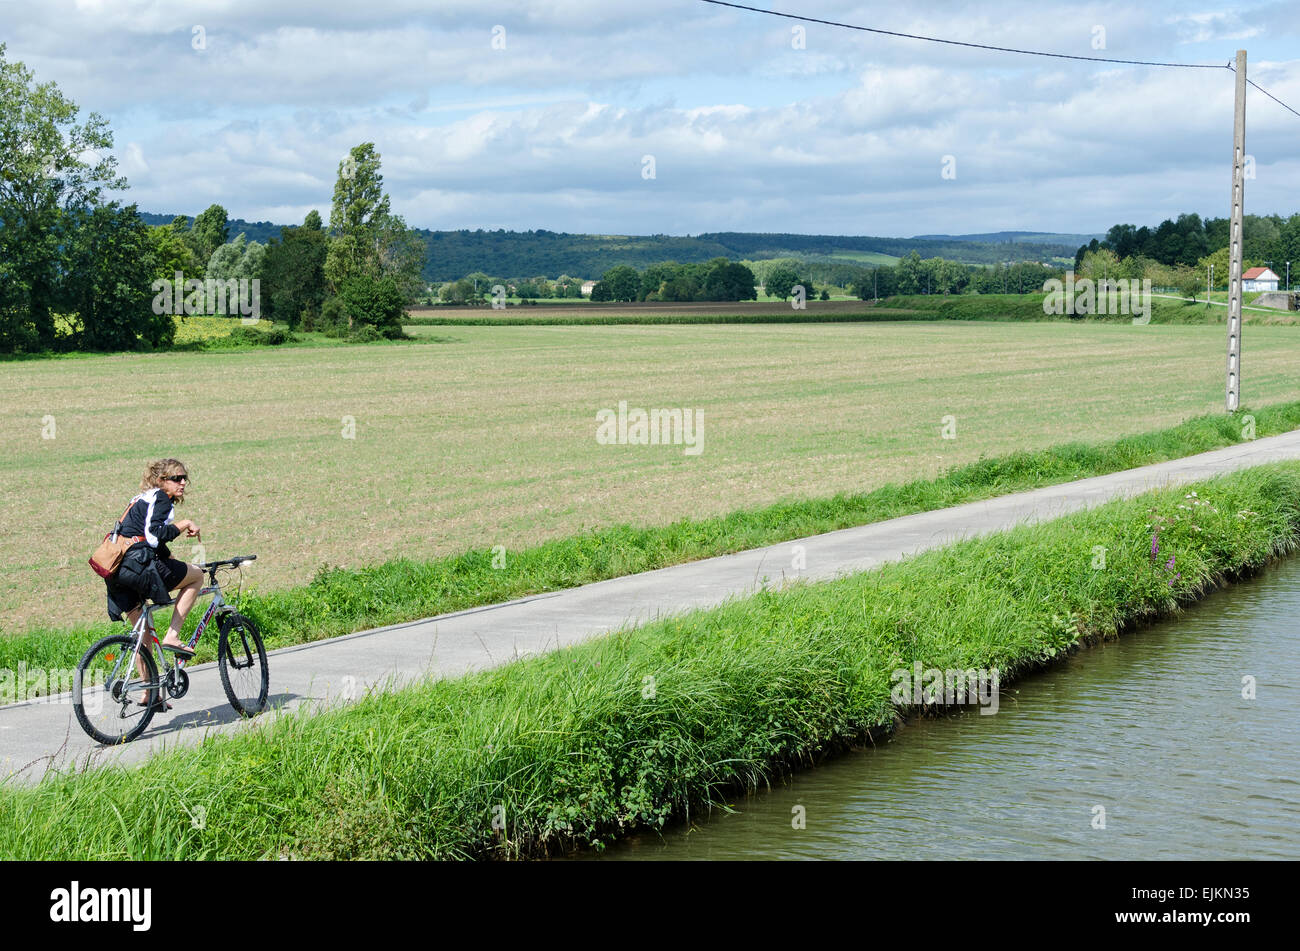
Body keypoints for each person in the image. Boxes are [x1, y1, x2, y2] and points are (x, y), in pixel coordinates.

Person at [103, 459, 204, 706]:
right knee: (197, 576)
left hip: (117, 572)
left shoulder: (140, 499)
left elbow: (141, 536)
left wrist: (167, 555)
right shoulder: (160, 498)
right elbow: (153, 535)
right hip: (138, 568)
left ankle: (150, 693)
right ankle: (173, 635)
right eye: (176, 478)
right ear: (161, 481)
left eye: (184, 478)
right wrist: (183, 523)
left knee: (143, 634)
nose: (182, 483)